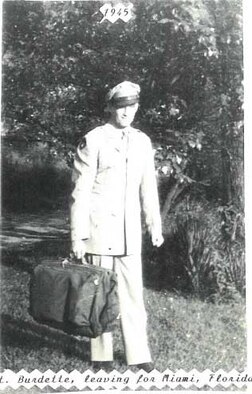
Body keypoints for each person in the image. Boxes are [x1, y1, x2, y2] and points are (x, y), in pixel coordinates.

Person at [70, 81, 163, 372]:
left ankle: (139, 355)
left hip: (129, 235)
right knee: (100, 297)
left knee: (133, 295)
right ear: (111, 107)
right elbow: (80, 191)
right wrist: (78, 236)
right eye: (121, 106)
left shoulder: (142, 142)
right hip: (99, 232)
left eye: (132, 106)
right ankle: (101, 356)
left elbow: (149, 187)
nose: (127, 112)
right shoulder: (94, 140)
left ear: (137, 107)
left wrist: (153, 224)